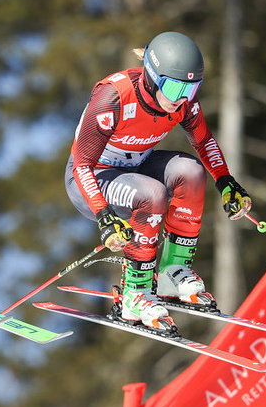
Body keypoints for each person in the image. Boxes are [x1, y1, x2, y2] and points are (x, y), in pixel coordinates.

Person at [65, 31, 251, 332]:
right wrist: (104, 215)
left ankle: (172, 271)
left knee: (191, 172)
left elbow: (205, 143)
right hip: (91, 179)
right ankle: (134, 293)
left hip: (134, 166)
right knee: (152, 195)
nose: (182, 99)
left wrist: (227, 182)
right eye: (175, 87)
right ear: (151, 78)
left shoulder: (183, 104)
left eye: (191, 90)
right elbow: (82, 165)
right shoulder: (113, 97)